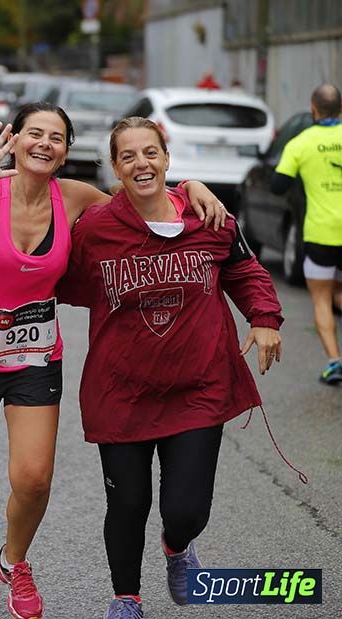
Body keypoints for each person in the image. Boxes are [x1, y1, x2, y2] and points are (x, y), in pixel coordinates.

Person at [0, 104, 226, 619]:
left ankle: (15, 561)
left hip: (34, 358)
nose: (44, 144)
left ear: (66, 151)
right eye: (35, 134)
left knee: (33, 479)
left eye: (56, 137)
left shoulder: (74, 198)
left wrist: (193, 188)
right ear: (16, 140)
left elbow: (143, 196)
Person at [57, 116, 288, 619]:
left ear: (166, 157)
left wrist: (265, 318)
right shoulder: (96, 231)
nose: (141, 163)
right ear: (115, 168)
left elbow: (243, 267)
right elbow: (61, 280)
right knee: (127, 504)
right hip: (121, 392)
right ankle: (126, 599)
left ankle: (176, 547)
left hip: (199, 388)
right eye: (128, 156)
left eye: (150, 153)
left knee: (186, 509)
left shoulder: (210, 217)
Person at [271, 84, 342, 384]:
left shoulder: (301, 143)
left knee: (323, 299)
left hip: (321, 233)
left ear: (313, 110)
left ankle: (335, 362)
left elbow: (277, 186)